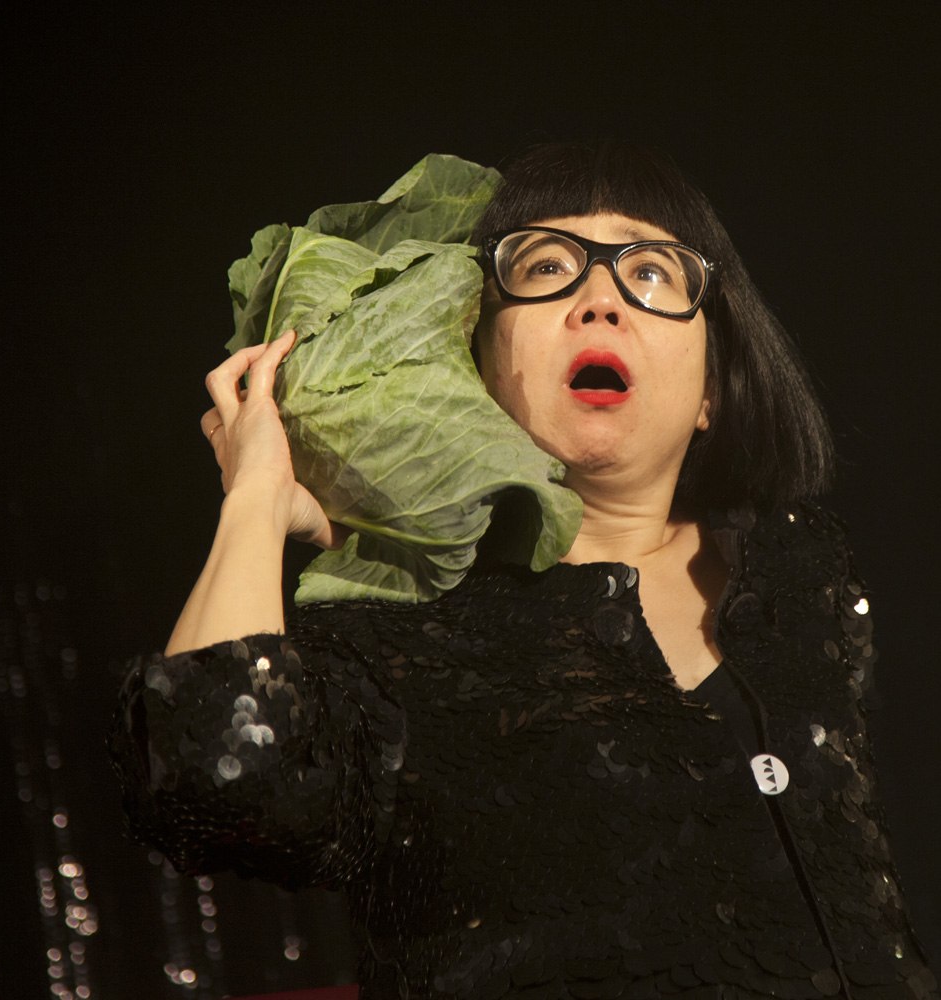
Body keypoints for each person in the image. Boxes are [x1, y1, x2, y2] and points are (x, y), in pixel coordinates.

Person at [111, 141, 937, 1000]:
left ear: (710, 392)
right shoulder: (401, 627)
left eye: (651, 271)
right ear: (473, 369)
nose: (600, 300)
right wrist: (255, 496)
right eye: (545, 266)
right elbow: (210, 779)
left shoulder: (802, 576)